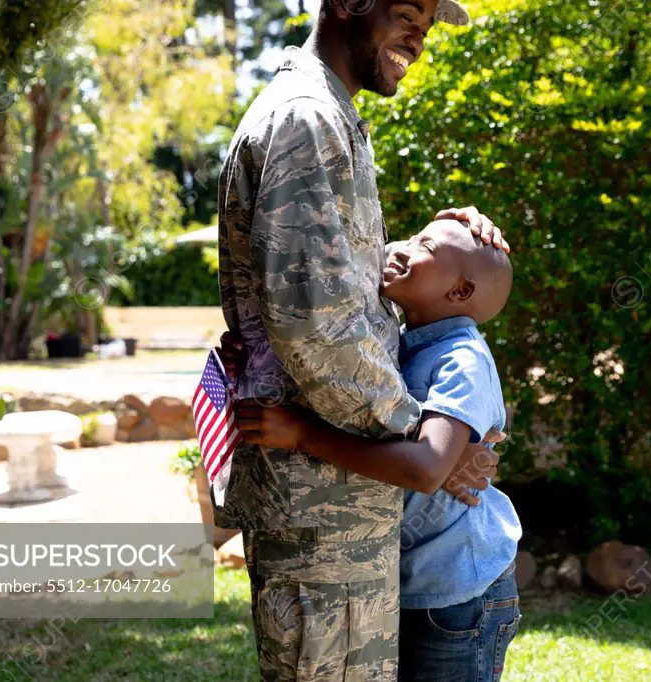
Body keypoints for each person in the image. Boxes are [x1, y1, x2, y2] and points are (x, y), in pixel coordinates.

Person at [212, 0, 510, 679]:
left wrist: (450, 237)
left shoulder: (328, 118)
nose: (419, 38)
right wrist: (429, 439)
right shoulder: (308, 120)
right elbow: (317, 329)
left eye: (428, 26)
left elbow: (338, 281)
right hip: (323, 519)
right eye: (408, 13)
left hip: (338, 507)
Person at [234, 218, 523, 682]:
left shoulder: (461, 361)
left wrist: (303, 435)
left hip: (458, 593)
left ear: (461, 291)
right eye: (409, 236)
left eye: (423, 244)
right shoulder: (401, 341)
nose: (400, 247)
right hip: (414, 580)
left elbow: (427, 468)